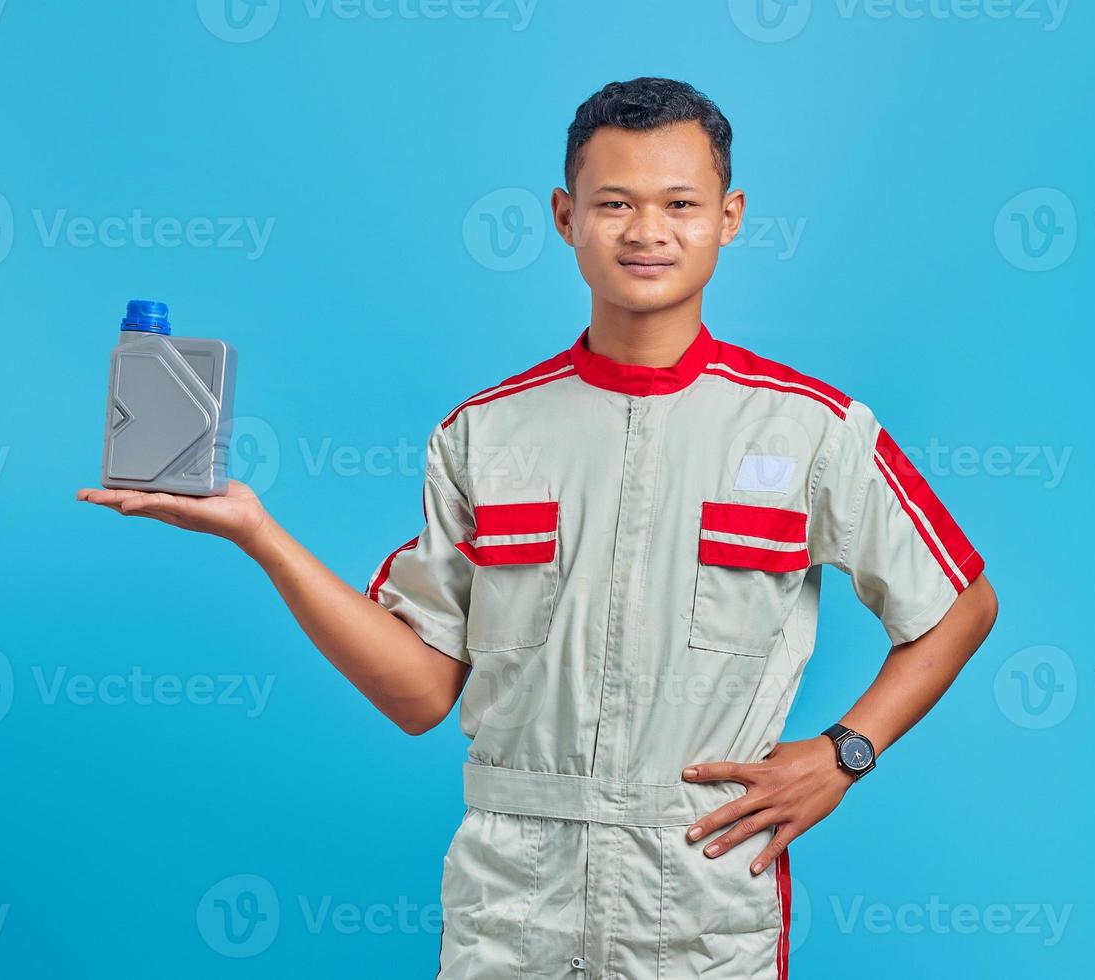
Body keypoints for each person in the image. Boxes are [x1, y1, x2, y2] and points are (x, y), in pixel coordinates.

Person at [77, 76, 998, 980]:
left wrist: (845, 753)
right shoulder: (486, 433)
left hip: (699, 889)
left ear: (730, 215)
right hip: (512, 901)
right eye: (614, 203)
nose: (646, 231)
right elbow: (419, 695)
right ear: (565, 217)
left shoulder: (811, 430)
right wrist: (259, 535)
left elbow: (960, 603)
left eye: (680, 202)